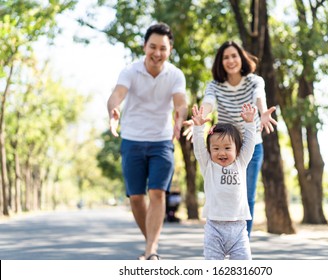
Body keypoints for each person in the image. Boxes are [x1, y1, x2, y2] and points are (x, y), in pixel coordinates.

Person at [107, 23, 187, 260]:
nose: (157, 53)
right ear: (144, 46)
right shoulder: (130, 71)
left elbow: (181, 103)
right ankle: (151, 241)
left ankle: (151, 250)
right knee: (136, 197)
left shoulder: (175, 75)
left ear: (170, 49)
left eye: (163, 48)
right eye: (152, 47)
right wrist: (113, 110)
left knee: (157, 193)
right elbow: (116, 95)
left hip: (162, 140)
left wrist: (179, 117)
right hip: (132, 139)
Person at [183, 41, 277, 237]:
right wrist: (200, 119)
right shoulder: (215, 85)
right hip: (226, 148)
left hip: (252, 145)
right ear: (220, 62)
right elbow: (209, 102)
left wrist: (263, 112)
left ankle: (243, 241)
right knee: (222, 188)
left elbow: (259, 96)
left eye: (234, 55)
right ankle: (219, 234)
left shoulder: (254, 80)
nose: (230, 60)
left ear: (241, 58)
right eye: (226, 57)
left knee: (247, 194)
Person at [192, 103, 257, 260]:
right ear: (210, 150)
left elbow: (250, 144)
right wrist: (198, 128)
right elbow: (199, 148)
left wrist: (249, 123)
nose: (221, 152)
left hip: (239, 228)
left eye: (227, 148)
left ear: (237, 150)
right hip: (214, 228)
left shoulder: (240, 163)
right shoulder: (208, 166)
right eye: (216, 148)